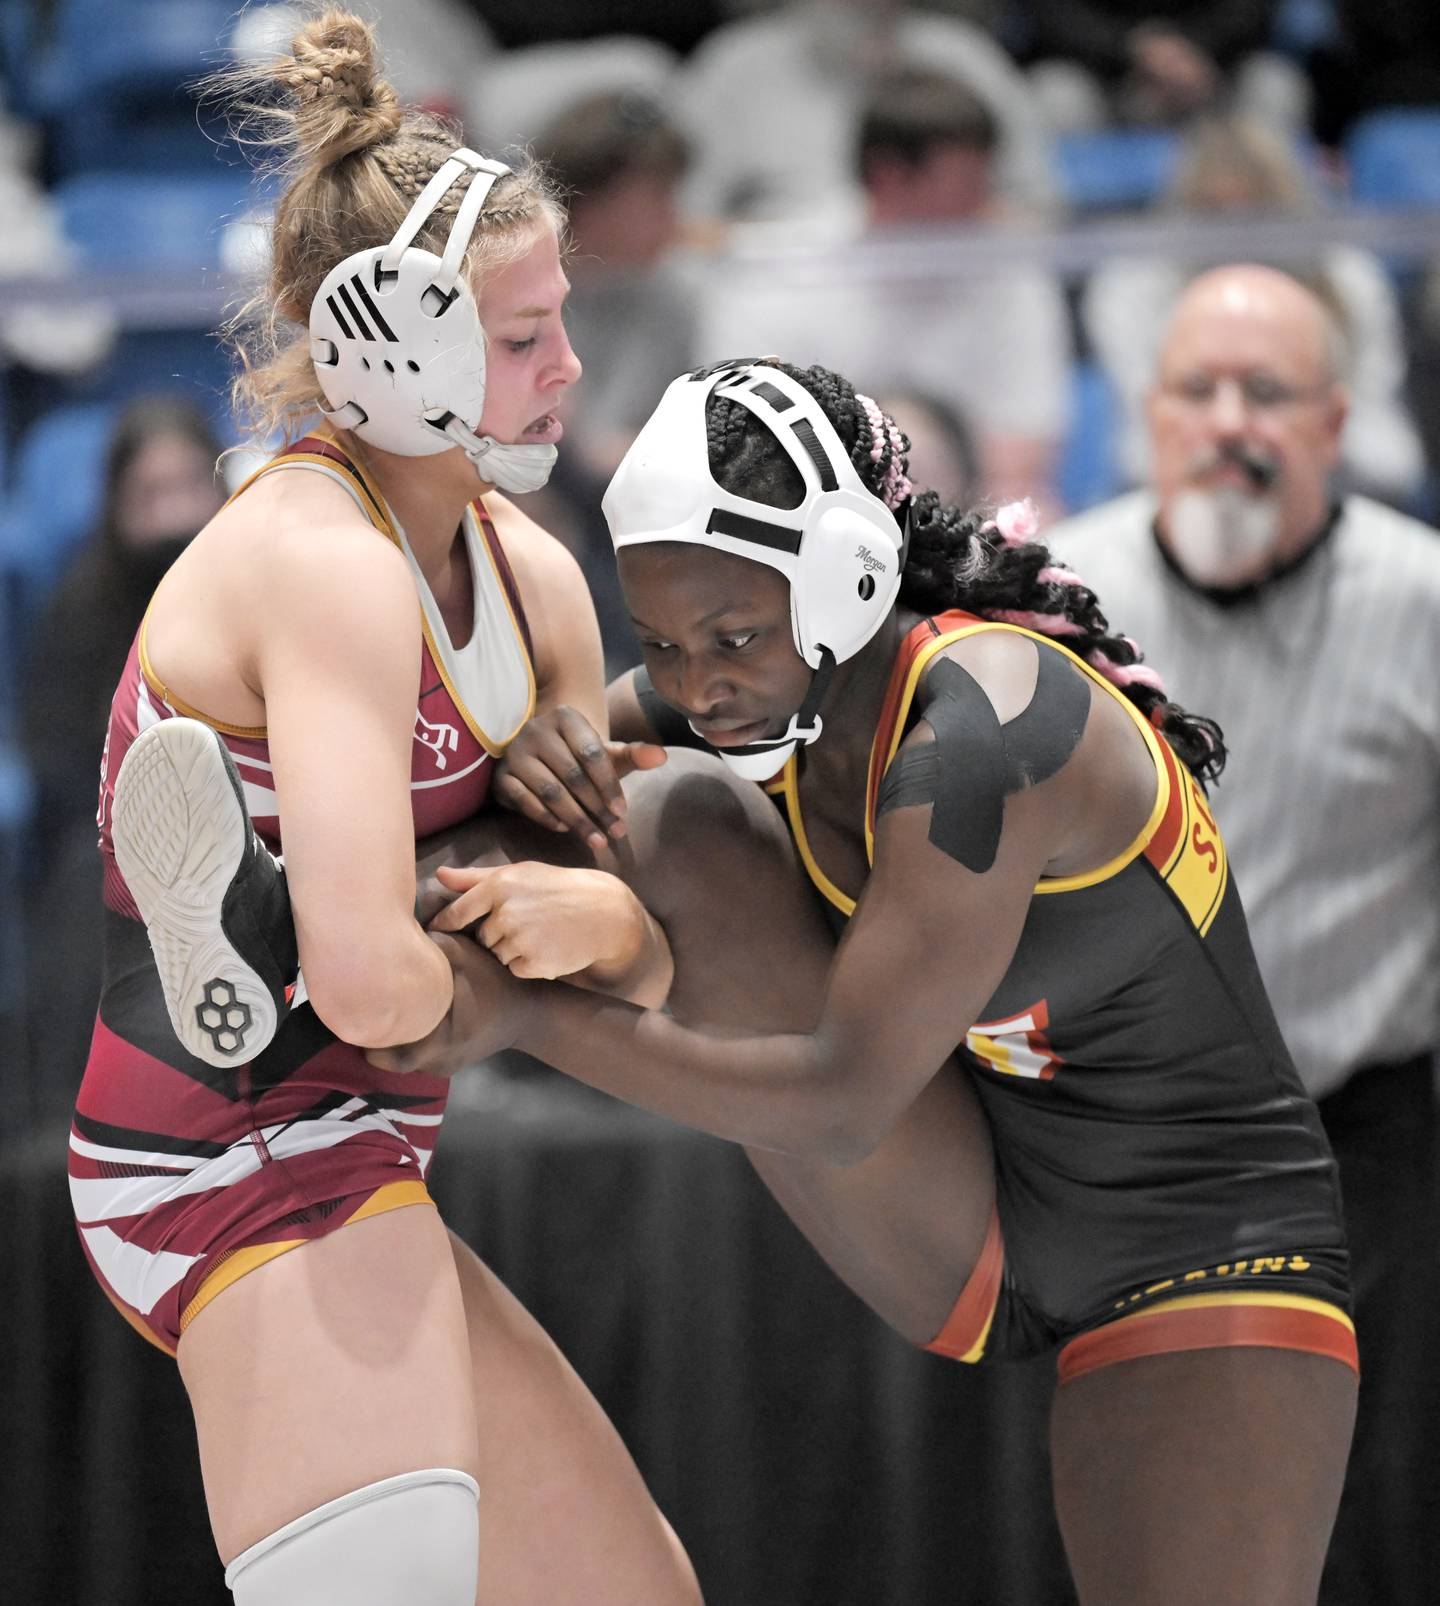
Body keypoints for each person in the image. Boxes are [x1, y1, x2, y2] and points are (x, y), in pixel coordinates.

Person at [173, 354, 1359, 1600]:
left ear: (851, 576)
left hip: (1201, 1247)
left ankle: (350, 950)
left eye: (731, 638)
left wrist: (527, 1011)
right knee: (659, 806)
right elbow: (588, 782)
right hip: (969, 1190)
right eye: (664, 643)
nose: (698, 682)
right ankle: (289, 923)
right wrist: (425, 846)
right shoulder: (749, 679)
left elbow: (843, 1101)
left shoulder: (991, 736)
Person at [71, 12, 698, 1605]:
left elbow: (645, 966)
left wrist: (602, 926)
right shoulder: (324, 561)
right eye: (522, 335)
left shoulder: (537, 575)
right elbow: (382, 992)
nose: (568, 366)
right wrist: (563, 924)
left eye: (563, 323)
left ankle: (281, 929)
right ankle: (254, 944)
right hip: (228, 1136)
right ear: (392, 341)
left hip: (363, 1119)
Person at [1047, 262, 1440, 1606]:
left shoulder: (1426, 599)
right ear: (1145, 414)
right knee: (1133, 1518)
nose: (1230, 422)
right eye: (1197, 391)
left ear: (1335, 423)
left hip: (1370, 1148)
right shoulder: (1049, 605)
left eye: (1268, 394)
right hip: (1116, 1149)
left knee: (1367, 1512)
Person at [700, 67, 1072, 511]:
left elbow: (1020, 464)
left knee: (1038, 512)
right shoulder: (776, 273)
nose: (985, 200)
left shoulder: (1012, 275)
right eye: (967, 181)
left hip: (961, 512)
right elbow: (744, 452)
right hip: (809, 514)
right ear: (889, 175)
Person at [1083, 114, 1426, 507]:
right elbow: (1144, 440)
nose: (1237, 237)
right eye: (1216, 214)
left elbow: (1386, 450)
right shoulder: (1134, 285)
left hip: (1336, 477)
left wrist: (1291, 447)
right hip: (1183, 483)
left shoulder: (1349, 278)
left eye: (1255, 213)